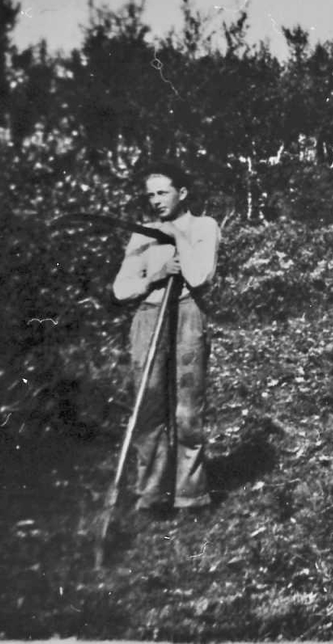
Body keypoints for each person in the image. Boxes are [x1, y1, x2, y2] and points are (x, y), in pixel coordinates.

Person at [113, 163, 220, 513]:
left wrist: (177, 238)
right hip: (148, 318)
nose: (156, 200)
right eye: (151, 195)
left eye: (163, 192)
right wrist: (154, 277)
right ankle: (152, 495)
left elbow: (200, 275)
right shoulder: (142, 233)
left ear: (182, 193)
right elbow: (121, 288)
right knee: (149, 407)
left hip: (187, 315)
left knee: (188, 411)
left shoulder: (203, 227)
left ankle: (191, 496)